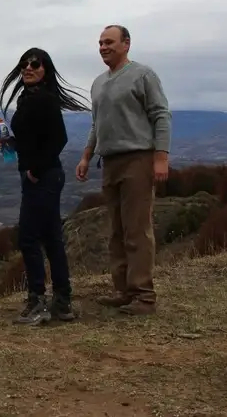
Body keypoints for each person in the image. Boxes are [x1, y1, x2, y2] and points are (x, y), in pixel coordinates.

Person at [76, 25, 172, 316]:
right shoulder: (98, 83)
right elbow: (96, 124)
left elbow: (161, 115)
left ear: (126, 44)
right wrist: (86, 156)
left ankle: (144, 295)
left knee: (136, 229)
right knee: (117, 230)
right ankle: (123, 290)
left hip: (137, 159)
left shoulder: (143, 75)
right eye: (100, 43)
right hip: (110, 162)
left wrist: (161, 157)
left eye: (109, 42)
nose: (103, 47)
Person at [0, 47, 91, 325]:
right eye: (24, 63)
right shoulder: (30, 98)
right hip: (45, 176)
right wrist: (11, 143)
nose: (28, 68)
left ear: (45, 69)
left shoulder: (44, 99)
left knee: (28, 238)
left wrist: (36, 169)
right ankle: (62, 302)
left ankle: (37, 303)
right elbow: (35, 139)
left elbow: (59, 139)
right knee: (51, 239)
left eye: (35, 64)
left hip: (43, 177)